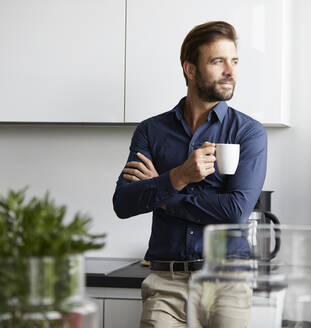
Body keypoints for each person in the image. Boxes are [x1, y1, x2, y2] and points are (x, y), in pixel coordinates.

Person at [113, 20, 267, 328]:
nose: (230, 71)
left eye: (234, 61)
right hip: (165, 284)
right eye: (217, 61)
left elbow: (235, 211)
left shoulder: (248, 133)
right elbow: (124, 203)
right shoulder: (151, 131)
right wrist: (179, 176)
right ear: (191, 69)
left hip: (227, 284)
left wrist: (165, 195)